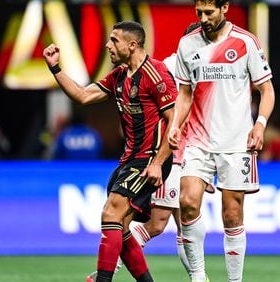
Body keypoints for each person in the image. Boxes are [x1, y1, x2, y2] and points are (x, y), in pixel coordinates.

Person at [43, 21, 177, 282]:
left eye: (114, 40)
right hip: (129, 160)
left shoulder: (156, 74)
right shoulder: (118, 76)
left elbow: (175, 121)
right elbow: (82, 95)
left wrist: (159, 163)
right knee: (122, 226)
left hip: (150, 158)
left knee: (110, 213)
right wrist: (55, 68)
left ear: (132, 44)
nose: (108, 45)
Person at [85, 22, 209, 282]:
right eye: (198, 40)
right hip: (168, 153)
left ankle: (198, 278)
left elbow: (203, 116)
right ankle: (111, 268)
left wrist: (203, 162)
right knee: (158, 222)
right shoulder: (169, 67)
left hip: (192, 155)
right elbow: (171, 115)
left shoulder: (207, 69)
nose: (201, 45)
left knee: (183, 223)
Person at [168, 1, 276, 281]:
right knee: (187, 201)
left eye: (209, 12)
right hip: (198, 140)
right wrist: (175, 125)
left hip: (237, 141)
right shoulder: (187, 45)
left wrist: (260, 125)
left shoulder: (245, 42)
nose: (203, 18)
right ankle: (199, 276)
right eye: (199, 13)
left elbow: (266, 90)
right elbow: (184, 94)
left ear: (225, 7)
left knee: (232, 214)